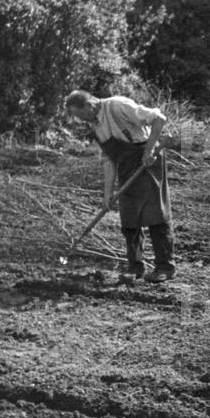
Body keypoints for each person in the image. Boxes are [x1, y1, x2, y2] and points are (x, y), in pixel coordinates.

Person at [64, 90, 175, 283]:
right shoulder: (94, 124)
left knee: (156, 215)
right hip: (125, 166)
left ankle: (165, 267)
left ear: (90, 104)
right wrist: (107, 195)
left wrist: (149, 150)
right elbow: (109, 160)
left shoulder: (117, 105)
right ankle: (135, 267)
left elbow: (159, 118)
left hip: (146, 162)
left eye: (82, 115)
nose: (83, 120)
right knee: (129, 219)